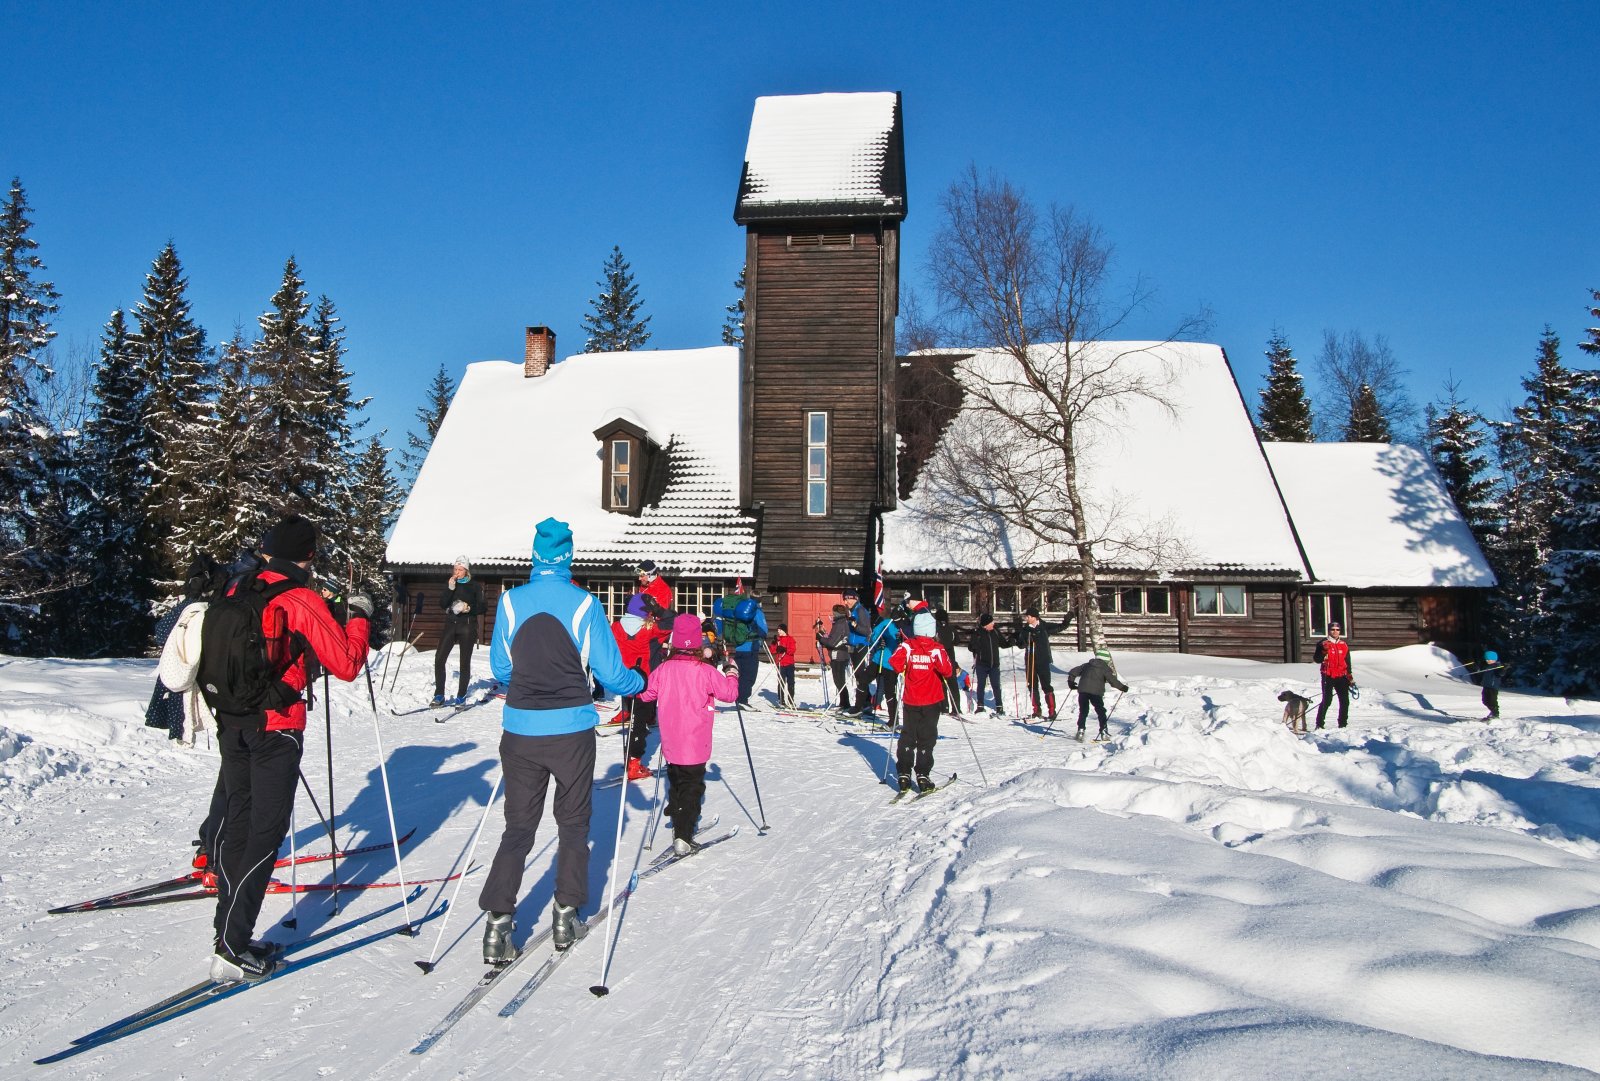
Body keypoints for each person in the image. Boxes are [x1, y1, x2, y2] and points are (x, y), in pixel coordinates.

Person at [207, 515, 372, 982]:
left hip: (232, 720)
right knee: (266, 831)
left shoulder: (239, 587)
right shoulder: (298, 596)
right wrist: (359, 618)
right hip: (275, 726)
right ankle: (233, 945)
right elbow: (344, 663)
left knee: (239, 821)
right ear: (309, 555)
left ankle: (226, 932)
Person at [479, 519, 644, 964]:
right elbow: (612, 675)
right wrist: (638, 681)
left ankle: (497, 925)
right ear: (568, 556)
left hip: (521, 728)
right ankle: (565, 914)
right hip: (570, 729)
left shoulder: (511, 601)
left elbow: (501, 667)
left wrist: (531, 675)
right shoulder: (585, 603)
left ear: (535, 556)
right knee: (573, 824)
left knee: (518, 827)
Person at [638, 613, 740, 854]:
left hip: (671, 739)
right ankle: (683, 833)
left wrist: (638, 679)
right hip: (696, 739)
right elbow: (729, 694)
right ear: (697, 641)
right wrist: (732, 672)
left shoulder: (664, 669)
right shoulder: (704, 671)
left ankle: (677, 813)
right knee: (693, 786)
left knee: (675, 780)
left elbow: (645, 694)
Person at [889, 610, 954, 792]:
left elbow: (894, 663)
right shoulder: (936, 648)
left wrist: (905, 666)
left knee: (908, 736)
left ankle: (903, 772)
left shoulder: (907, 646)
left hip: (911, 700)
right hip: (931, 700)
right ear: (931, 630)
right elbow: (947, 671)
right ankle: (923, 775)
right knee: (927, 737)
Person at [610, 594, 666, 781]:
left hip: (625, 680)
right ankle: (634, 763)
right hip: (644, 682)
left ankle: (629, 758)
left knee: (633, 721)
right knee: (639, 724)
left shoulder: (616, 627)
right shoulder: (649, 629)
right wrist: (659, 610)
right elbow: (672, 622)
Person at [434, 557, 485, 706]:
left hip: (467, 626)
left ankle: (461, 696)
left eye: (460, 570)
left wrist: (469, 608)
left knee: (464, 662)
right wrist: (450, 589)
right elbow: (442, 604)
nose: (457, 572)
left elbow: (483, 607)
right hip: (451, 624)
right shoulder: (451, 584)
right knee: (439, 659)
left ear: (466, 571)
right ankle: (439, 695)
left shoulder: (475, 586)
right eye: (455, 569)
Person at [714, 583, 768, 706]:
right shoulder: (757, 612)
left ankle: (739, 698)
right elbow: (764, 630)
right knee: (749, 676)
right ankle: (743, 700)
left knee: (741, 674)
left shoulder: (738, 611)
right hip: (750, 647)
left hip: (739, 646)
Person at [1017, 606, 1073, 720]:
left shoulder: (1044, 627)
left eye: (1028, 616)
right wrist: (1018, 641)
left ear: (1034, 617)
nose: (1026, 618)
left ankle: (1052, 711)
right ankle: (1036, 710)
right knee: (1032, 686)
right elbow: (1021, 644)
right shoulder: (1025, 630)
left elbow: (1060, 627)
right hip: (1030, 661)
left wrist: (1067, 620)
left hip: (1043, 661)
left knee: (1046, 686)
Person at [1067, 649, 1128, 741]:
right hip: (1096, 693)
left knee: (1083, 711)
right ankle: (1104, 732)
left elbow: (1073, 671)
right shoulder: (1105, 668)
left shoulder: (1087, 665)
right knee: (1100, 711)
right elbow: (1113, 681)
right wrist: (1123, 687)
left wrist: (1071, 682)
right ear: (1106, 659)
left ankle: (1080, 730)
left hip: (1083, 691)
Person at [865, 609, 903, 725]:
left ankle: (893, 720)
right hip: (879, 658)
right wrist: (879, 641)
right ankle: (863, 706)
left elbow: (908, 641)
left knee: (890, 692)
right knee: (863, 679)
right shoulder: (886, 623)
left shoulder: (906, 626)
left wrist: (901, 641)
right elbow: (873, 637)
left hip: (892, 664)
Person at [1313, 622, 1353, 730]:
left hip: (1341, 676)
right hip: (1328, 675)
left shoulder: (1343, 645)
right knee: (1327, 700)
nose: (1335, 631)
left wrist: (1350, 676)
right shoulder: (1323, 643)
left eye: (1337, 629)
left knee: (1345, 701)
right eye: (1333, 629)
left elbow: (1347, 662)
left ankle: (1342, 724)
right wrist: (1323, 650)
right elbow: (1317, 659)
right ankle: (1319, 724)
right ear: (1329, 631)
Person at [967, 612, 1005, 717]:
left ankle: (999, 706)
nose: (993, 623)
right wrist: (974, 646)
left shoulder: (995, 632)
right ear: (986, 624)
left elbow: (1004, 643)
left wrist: (1012, 641)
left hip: (994, 665)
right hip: (982, 664)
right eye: (991, 622)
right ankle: (980, 705)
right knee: (981, 685)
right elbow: (970, 647)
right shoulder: (978, 633)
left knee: (996, 685)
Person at [842, 587, 872, 713]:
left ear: (854, 598)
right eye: (844, 599)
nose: (845, 602)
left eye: (847, 599)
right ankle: (865, 702)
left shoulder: (860, 611)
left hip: (861, 646)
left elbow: (866, 631)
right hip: (854, 647)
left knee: (861, 676)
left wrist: (855, 625)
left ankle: (863, 704)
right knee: (858, 675)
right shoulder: (853, 611)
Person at [820, 605, 852, 710]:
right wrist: (825, 636)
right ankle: (844, 702)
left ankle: (845, 703)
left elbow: (832, 642)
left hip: (839, 655)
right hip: (840, 654)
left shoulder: (840, 624)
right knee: (839, 679)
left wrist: (821, 639)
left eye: (833, 613)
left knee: (839, 679)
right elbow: (834, 638)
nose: (832, 615)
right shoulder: (841, 623)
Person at [772, 623, 797, 707]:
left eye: (780, 630)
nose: (778, 632)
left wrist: (785, 649)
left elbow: (792, 650)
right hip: (781, 664)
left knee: (791, 682)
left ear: (784, 630)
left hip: (789, 664)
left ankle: (791, 700)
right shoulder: (778, 640)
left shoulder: (790, 639)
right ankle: (781, 701)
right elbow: (773, 651)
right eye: (778, 630)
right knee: (781, 682)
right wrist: (773, 643)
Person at [1478, 649, 1504, 720]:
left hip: (1493, 687)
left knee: (1492, 701)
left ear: (1494, 659)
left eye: (1489, 659)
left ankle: (1495, 714)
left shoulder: (1497, 666)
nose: (1487, 661)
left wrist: (1503, 670)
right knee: (1485, 700)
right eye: (1486, 659)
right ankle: (1492, 712)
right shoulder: (1488, 666)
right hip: (1486, 686)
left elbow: (1500, 674)